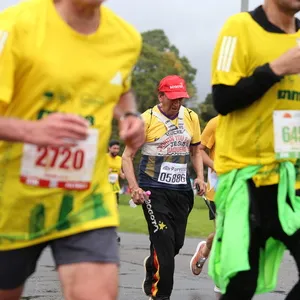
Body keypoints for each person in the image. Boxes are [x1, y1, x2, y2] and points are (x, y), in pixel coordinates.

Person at [0, 0, 144, 299]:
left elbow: (121, 87)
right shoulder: (14, 25)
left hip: (84, 199)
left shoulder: (125, 38)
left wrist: (129, 116)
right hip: (11, 201)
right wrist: (33, 131)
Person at [208, 1, 300, 299]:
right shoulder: (239, 28)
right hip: (247, 179)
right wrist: (276, 68)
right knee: (241, 285)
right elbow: (222, 99)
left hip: (291, 180)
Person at [122, 75, 206, 300]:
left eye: (181, 98)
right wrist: (134, 187)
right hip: (153, 192)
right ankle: (160, 295)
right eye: (172, 98)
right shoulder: (146, 120)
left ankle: (152, 263)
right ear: (160, 96)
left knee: (174, 244)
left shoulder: (191, 117)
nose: (177, 102)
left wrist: (200, 176)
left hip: (181, 193)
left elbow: (196, 151)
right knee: (167, 254)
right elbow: (127, 157)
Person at [189, 116, 220, 295]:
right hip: (219, 190)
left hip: (244, 189)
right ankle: (221, 282)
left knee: (228, 234)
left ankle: (205, 249)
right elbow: (199, 150)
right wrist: (217, 166)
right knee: (225, 234)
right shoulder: (216, 123)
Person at [107, 140, 126, 205]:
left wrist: (126, 174)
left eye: (117, 149)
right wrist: (106, 171)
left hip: (115, 188)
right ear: (109, 148)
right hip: (104, 187)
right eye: (114, 148)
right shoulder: (104, 158)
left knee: (115, 207)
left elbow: (121, 174)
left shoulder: (119, 159)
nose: (116, 150)